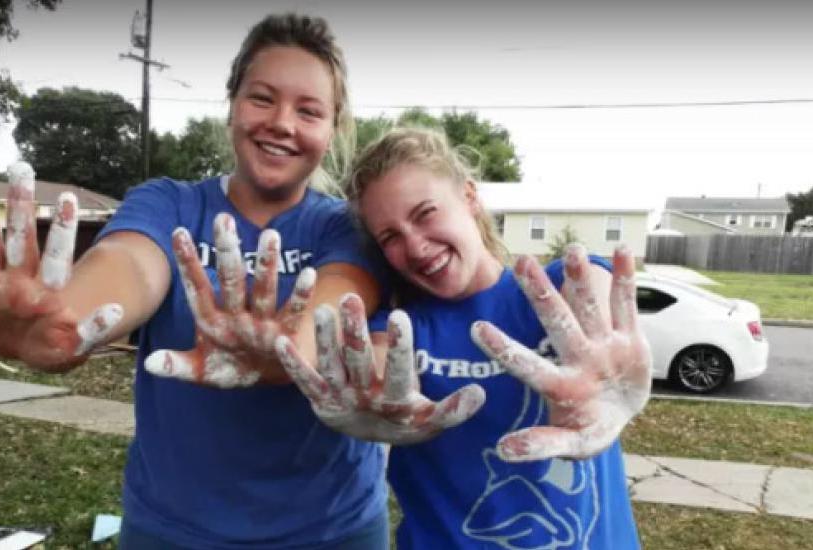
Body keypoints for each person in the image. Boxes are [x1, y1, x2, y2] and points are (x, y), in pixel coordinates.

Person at [0, 13, 391, 549]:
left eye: (309, 110)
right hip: (174, 531)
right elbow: (130, 264)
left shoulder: (347, 225)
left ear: (332, 128)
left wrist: (285, 350)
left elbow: (339, 296)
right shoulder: (167, 202)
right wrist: (64, 320)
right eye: (262, 98)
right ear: (231, 105)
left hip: (332, 531)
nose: (282, 122)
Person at [276, 127, 652, 549]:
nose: (416, 247)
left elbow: (593, 291)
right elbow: (384, 369)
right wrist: (383, 407)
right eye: (391, 237)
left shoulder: (551, 290)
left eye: (425, 214)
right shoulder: (398, 328)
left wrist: (604, 385)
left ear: (469, 196)